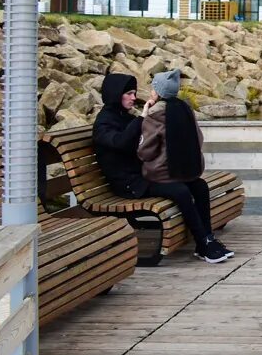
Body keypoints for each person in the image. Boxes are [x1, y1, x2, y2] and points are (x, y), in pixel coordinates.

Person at [93, 71, 232, 264]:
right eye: (129, 93)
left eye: (134, 93)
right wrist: (143, 118)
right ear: (116, 94)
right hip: (129, 182)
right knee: (181, 191)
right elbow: (120, 143)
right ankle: (203, 244)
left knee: (199, 186)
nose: (134, 97)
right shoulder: (103, 122)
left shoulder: (123, 116)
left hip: (143, 174)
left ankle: (207, 240)